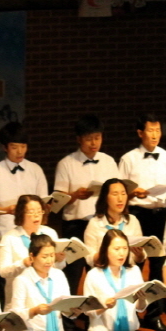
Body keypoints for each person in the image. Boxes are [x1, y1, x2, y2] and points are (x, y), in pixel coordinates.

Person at [53, 114, 120, 294]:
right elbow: (57, 201)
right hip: (75, 225)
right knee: (73, 272)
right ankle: (69, 309)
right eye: (89, 138)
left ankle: (99, 306)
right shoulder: (66, 164)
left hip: (100, 224)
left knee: (99, 272)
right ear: (79, 139)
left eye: (97, 138)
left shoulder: (108, 162)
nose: (93, 143)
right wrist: (74, 195)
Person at [118, 113, 166, 275]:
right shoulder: (128, 159)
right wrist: (133, 193)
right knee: (135, 259)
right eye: (151, 130)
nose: (155, 135)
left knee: (159, 261)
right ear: (140, 133)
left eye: (158, 130)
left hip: (162, 214)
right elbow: (118, 191)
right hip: (138, 215)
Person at [0, 122, 48, 243]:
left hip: (33, 235)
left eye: (23, 146)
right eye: (14, 147)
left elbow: (44, 200)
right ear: (5, 147)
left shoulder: (35, 169)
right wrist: (7, 210)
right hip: (3, 234)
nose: (20, 151)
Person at [83, 178, 146, 268]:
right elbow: (89, 258)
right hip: (104, 271)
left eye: (123, 194)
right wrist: (107, 252)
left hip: (127, 271)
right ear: (105, 197)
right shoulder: (95, 223)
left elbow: (139, 259)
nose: (120, 199)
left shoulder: (133, 221)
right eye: (115, 194)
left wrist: (139, 254)